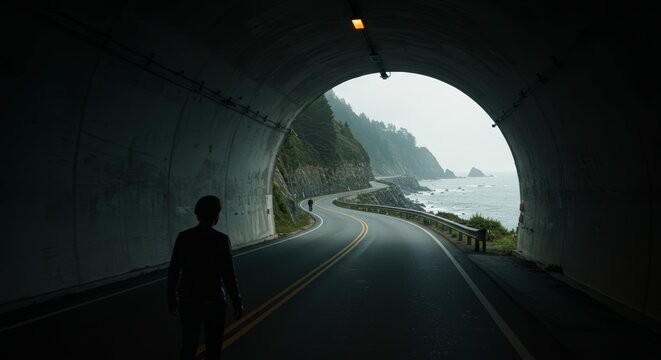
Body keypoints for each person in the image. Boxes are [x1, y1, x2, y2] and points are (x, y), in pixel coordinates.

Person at [168, 195, 244, 360]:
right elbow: (229, 275)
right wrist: (236, 301)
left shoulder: (183, 237)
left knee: (189, 343)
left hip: (188, 299)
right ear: (215, 216)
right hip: (214, 299)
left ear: (197, 214)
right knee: (213, 346)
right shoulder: (221, 240)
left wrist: (171, 298)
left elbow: (174, 269)